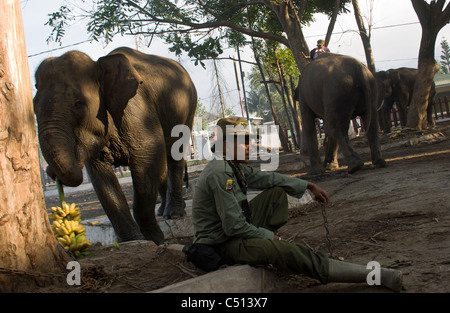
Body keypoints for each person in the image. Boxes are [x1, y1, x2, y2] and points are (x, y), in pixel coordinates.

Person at [189, 117, 403, 292]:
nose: (249, 146)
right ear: (226, 144)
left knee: (276, 194)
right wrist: (268, 237)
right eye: (243, 140)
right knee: (287, 251)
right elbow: (233, 226)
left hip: (233, 234)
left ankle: (264, 250)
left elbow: (269, 180)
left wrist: (308, 185)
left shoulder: (232, 166)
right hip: (221, 244)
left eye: (249, 139)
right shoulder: (220, 172)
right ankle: (373, 275)